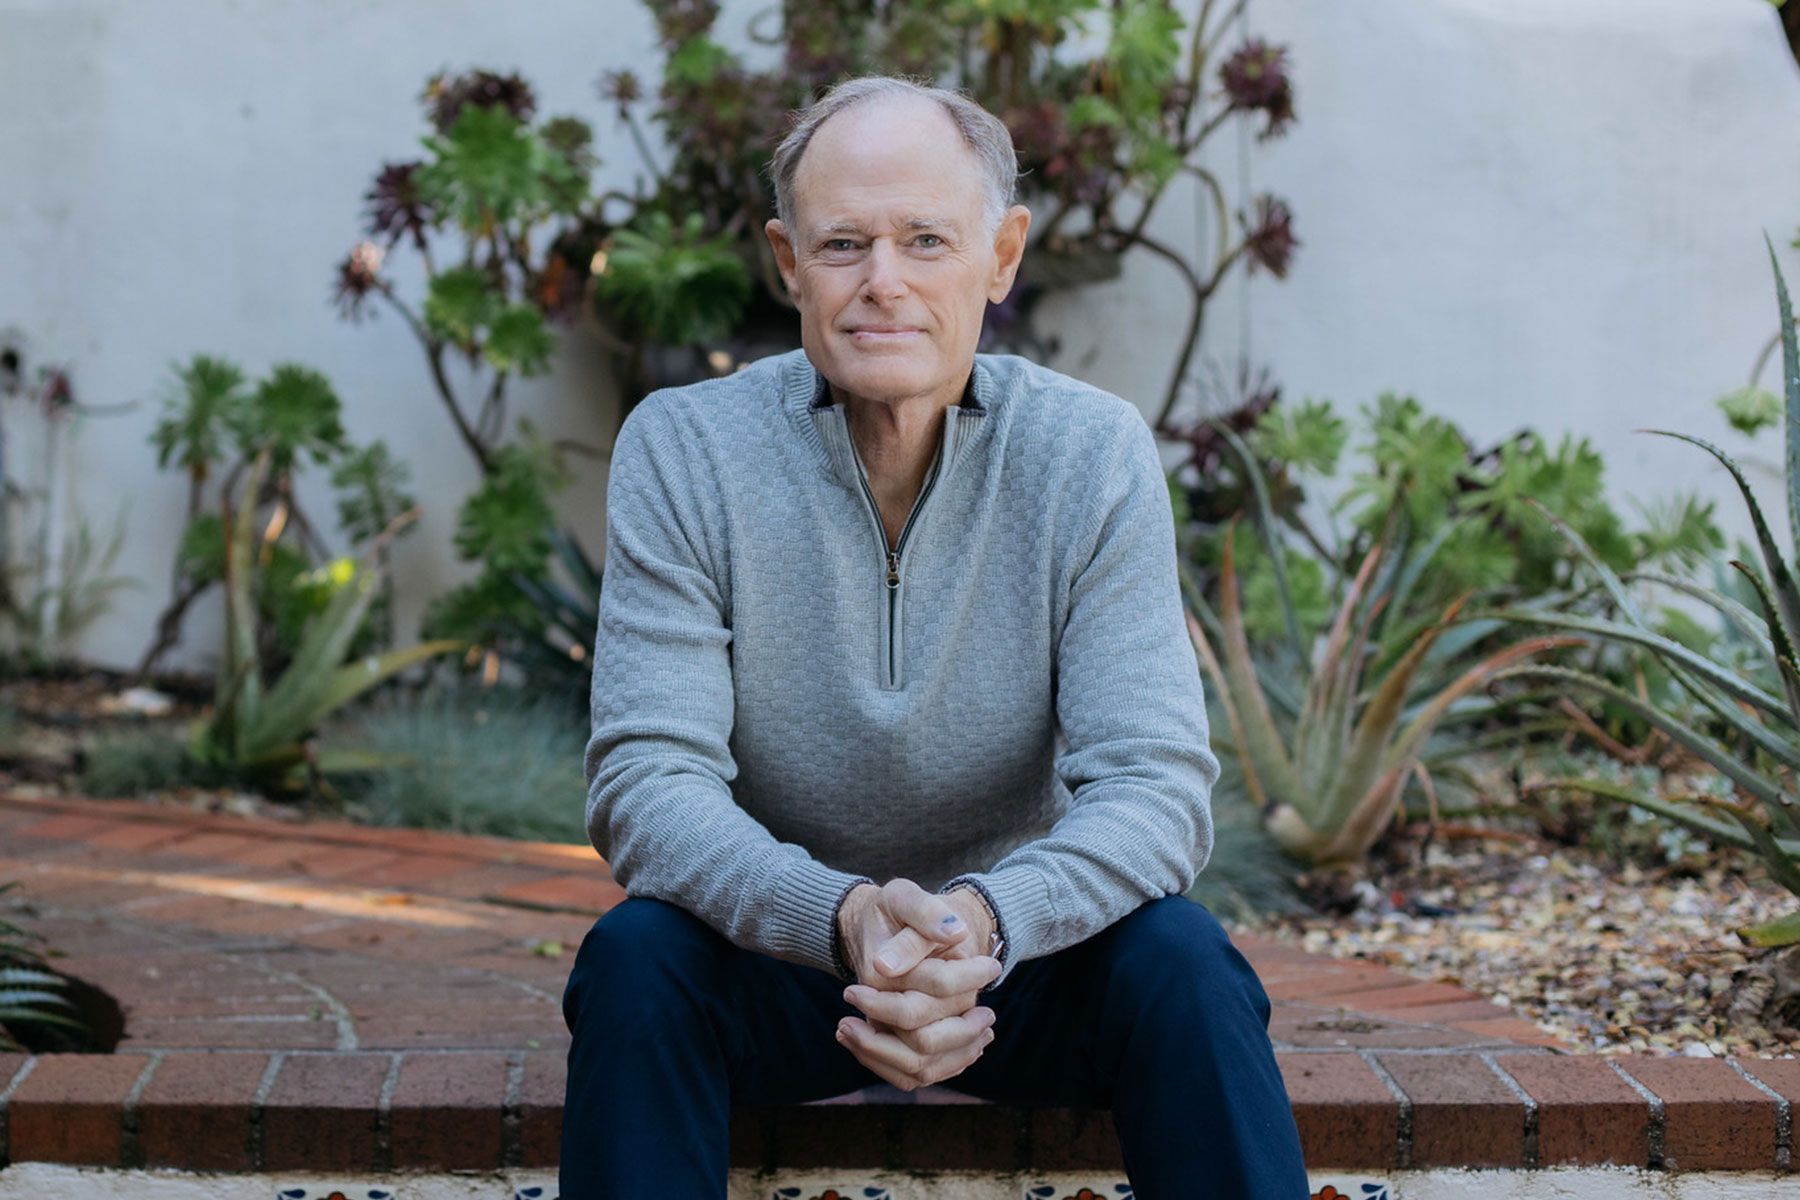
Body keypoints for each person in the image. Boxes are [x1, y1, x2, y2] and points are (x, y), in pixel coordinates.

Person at [559, 73, 1309, 1199]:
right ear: (787, 261)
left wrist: (985, 922)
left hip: (1019, 965)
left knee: (1185, 964)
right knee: (635, 963)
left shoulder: (1089, 452)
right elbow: (647, 782)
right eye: (843, 243)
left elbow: (1154, 785)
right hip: (784, 958)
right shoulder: (687, 449)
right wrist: (845, 918)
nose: (884, 282)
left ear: (1002, 257)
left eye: (926, 240)